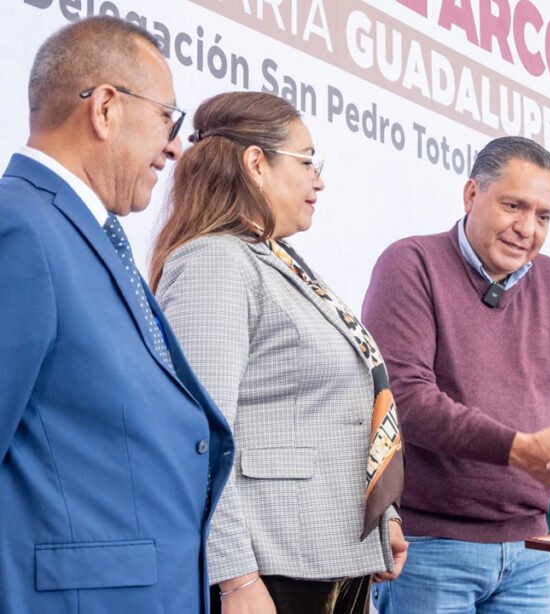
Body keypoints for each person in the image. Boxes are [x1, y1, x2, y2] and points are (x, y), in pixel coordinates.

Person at [0, 17, 233, 613]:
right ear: (105, 109)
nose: (176, 147)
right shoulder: (19, 226)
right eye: (167, 119)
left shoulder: (87, 237)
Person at [150, 91, 405, 614]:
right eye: (307, 161)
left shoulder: (278, 261)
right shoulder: (215, 261)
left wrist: (384, 517)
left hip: (327, 561)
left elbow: (325, 417)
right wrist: (235, 578)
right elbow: (199, 437)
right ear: (255, 163)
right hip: (269, 571)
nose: (319, 180)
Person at [362, 136, 550, 613]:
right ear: (471, 194)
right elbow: (404, 398)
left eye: (543, 216)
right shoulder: (412, 263)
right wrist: (518, 449)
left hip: (532, 552)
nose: (526, 228)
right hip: (430, 548)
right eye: (514, 206)